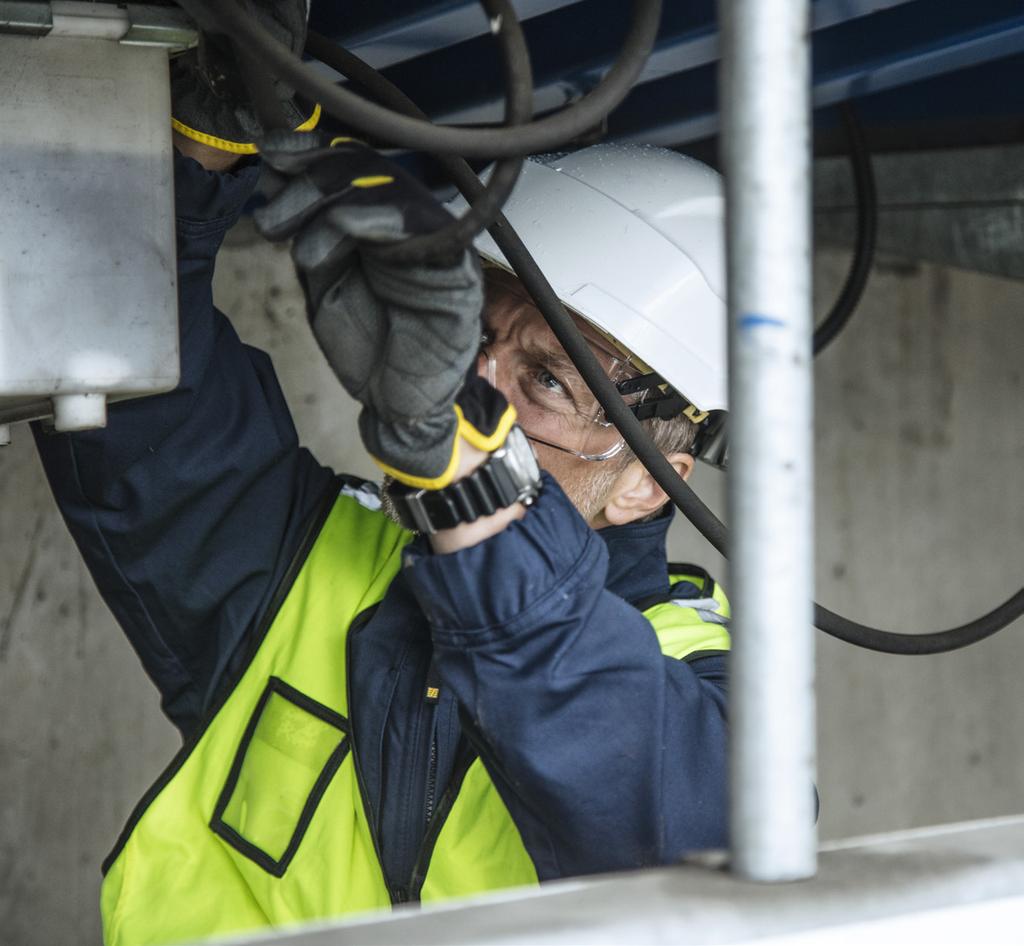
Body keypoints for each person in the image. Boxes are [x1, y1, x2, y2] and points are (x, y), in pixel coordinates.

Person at [33, 7, 731, 945]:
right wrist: (200, 142)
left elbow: (658, 818)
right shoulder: (310, 565)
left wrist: (462, 460)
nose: (468, 383)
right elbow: (126, 398)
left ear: (655, 479)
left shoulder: (711, 695)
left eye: (547, 379)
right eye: (469, 338)